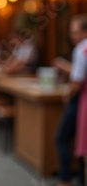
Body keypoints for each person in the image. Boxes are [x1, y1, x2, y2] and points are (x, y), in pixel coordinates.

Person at [53, 14, 87, 186]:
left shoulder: (82, 49)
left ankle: (65, 180)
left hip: (81, 103)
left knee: (61, 138)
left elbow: (76, 82)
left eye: (75, 31)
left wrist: (67, 95)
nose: (72, 35)